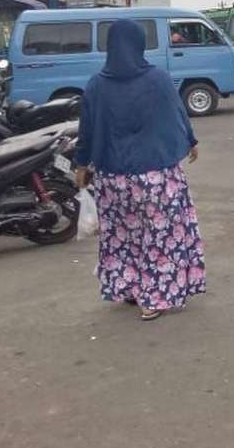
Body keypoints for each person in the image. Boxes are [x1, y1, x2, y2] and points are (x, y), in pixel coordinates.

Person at [73, 20, 206, 321]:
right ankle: (155, 298)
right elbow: (176, 113)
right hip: (156, 177)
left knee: (124, 236)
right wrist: (191, 141)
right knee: (160, 236)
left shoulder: (96, 84)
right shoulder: (157, 79)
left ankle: (131, 287)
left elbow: (87, 131)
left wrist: (81, 166)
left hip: (113, 179)